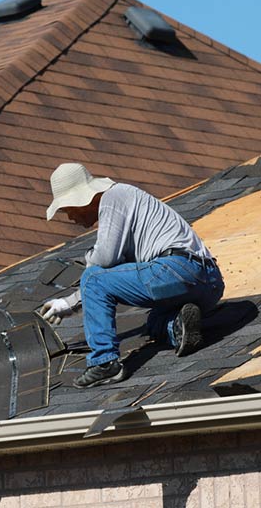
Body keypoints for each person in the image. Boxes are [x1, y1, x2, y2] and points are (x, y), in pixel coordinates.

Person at [40, 163, 225, 388]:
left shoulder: (113, 197)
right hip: (208, 282)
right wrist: (68, 304)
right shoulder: (126, 206)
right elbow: (110, 274)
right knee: (154, 322)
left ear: (82, 199)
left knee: (92, 276)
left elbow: (103, 262)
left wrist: (88, 260)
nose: (70, 217)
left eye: (68, 209)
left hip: (177, 268)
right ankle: (177, 327)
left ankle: (104, 363)